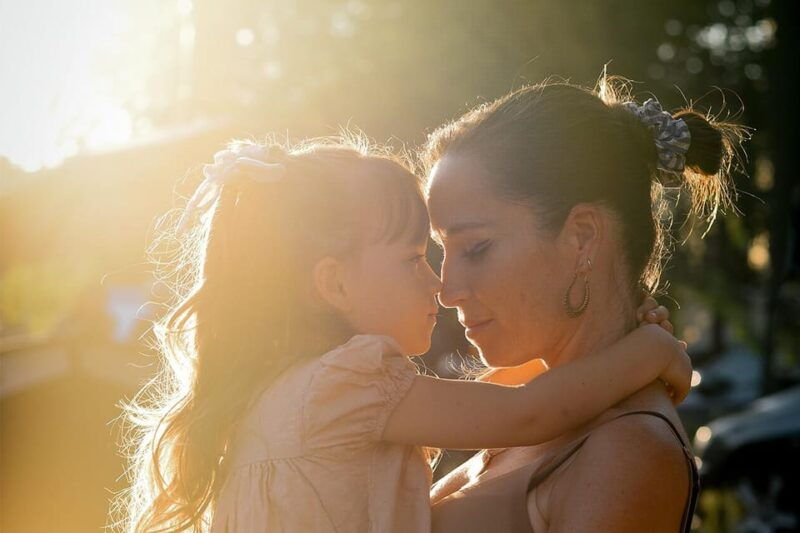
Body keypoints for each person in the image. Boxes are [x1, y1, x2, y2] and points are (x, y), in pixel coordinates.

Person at [114, 136, 689, 532]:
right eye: (415, 258)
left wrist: (606, 359)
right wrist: (652, 350)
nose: (438, 285)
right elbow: (528, 413)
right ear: (334, 285)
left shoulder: (292, 394)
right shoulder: (347, 380)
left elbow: (501, 397)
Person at [424, 78, 745, 532]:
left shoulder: (628, 451)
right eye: (442, 251)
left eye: (476, 248)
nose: (447, 288)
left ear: (583, 236)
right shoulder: (531, 405)